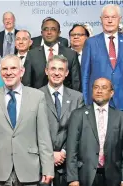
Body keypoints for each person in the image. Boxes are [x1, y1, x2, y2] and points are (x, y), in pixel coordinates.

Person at [0, 55, 54, 186]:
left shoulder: (37, 97)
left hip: (29, 170)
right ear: (0, 73)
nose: (9, 72)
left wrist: (48, 168)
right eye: (5, 69)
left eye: (13, 68)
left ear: (22, 71)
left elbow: (43, 136)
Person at [65, 78, 123, 186]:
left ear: (111, 93)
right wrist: (73, 179)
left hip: (113, 176)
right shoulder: (78, 115)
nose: (99, 90)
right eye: (96, 87)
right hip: (85, 175)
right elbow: (71, 149)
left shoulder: (121, 117)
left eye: (104, 87)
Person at [81, 4, 123, 110]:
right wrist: (86, 102)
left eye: (113, 17)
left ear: (119, 19)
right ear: (101, 19)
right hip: (97, 102)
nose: (109, 21)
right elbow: (85, 75)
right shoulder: (91, 43)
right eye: (106, 17)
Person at [39, 55, 84, 186]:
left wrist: (63, 152)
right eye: (53, 69)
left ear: (66, 73)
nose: (57, 73)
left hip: (69, 164)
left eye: (61, 69)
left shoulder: (78, 98)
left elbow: (79, 129)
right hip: (42, 164)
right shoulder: (35, 95)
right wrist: (50, 154)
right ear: (46, 71)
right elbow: (32, 129)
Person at [23, 17, 81, 91]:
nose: (49, 32)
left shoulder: (71, 54)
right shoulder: (32, 54)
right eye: (46, 29)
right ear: (41, 33)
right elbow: (26, 84)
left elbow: (76, 83)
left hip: (65, 100)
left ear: (59, 33)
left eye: (53, 29)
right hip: (39, 99)